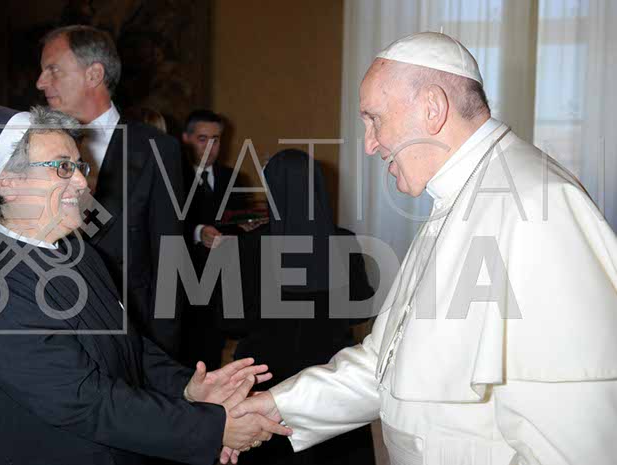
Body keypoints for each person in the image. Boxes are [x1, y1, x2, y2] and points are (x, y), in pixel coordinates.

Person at [227, 32, 617, 465]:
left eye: (374, 119)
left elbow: (572, 445)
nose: (369, 144)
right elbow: (386, 364)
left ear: (432, 108)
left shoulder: (535, 204)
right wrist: (274, 407)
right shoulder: (458, 196)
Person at [0, 106, 291, 465]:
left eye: (79, 166)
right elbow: (83, 400)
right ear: (9, 182)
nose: (82, 182)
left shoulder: (80, 252)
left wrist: (187, 387)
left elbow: (129, 346)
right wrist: (213, 428)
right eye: (62, 167)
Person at [36, 25, 184, 355]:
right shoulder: (33, 145)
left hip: (131, 333)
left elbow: (169, 258)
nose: (40, 82)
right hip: (52, 330)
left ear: (94, 74)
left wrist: (165, 353)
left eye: (53, 70)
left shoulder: (156, 149)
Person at [233, 149, 376, 465]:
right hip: (331, 375)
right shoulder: (344, 241)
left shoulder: (249, 245)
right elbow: (360, 310)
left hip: (266, 378)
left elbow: (231, 323)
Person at [179, 110, 241, 370]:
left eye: (216, 140)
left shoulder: (233, 178)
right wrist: (197, 232)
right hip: (183, 283)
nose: (210, 147)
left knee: (215, 357)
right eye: (202, 139)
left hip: (222, 285)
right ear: (186, 139)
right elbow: (165, 226)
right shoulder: (174, 178)